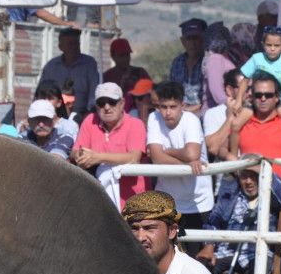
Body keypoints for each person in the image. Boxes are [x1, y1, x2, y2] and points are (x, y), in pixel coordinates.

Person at [196, 164, 281, 274]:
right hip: (227, 250)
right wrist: (209, 246)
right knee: (201, 267)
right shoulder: (229, 195)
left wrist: (265, 172)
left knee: (257, 272)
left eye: (253, 175)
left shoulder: (271, 196)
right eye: (244, 176)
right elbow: (213, 221)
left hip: (258, 252)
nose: (248, 181)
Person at [146, 81, 213, 254]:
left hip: (198, 202)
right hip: (168, 202)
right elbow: (156, 157)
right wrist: (185, 165)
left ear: (182, 105)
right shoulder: (154, 118)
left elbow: (192, 154)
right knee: (168, 257)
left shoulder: (191, 120)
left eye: (173, 106)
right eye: (163, 106)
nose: (167, 112)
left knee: (197, 258)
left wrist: (167, 151)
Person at [71, 81, 148, 209]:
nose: (107, 107)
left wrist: (97, 157)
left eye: (112, 102)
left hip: (133, 202)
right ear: (96, 106)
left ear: (122, 103)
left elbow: (134, 158)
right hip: (98, 202)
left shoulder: (135, 124)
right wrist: (81, 155)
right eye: (101, 103)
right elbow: (74, 151)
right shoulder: (90, 120)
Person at [229, 72, 281, 175]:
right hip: (250, 187)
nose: (263, 99)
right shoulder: (241, 123)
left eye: (268, 95)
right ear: (253, 97)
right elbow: (220, 148)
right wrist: (229, 156)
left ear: (277, 97)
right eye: (258, 95)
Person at [238, 26, 281, 128]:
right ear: (263, 44)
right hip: (257, 98)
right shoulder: (256, 58)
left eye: (276, 45)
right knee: (235, 124)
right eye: (269, 45)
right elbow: (244, 81)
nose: (272, 48)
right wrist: (238, 101)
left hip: (280, 100)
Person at [37, 27, 99, 124]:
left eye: (76, 44)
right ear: (60, 46)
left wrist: (89, 114)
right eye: (70, 44)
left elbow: (94, 94)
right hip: (53, 116)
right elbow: (40, 94)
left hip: (82, 116)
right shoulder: (51, 67)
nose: (74, 47)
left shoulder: (89, 64)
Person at [203, 69, 243, 162]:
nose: (250, 93)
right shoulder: (213, 114)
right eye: (245, 88)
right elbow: (213, 148)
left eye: (251, 88)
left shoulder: (258, 110)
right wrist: (230, 118)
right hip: (226, 172)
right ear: (229, 90)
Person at [169, 18, 207, 115]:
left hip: (203, 112)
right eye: (188, 39)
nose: (192, 43)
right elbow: (172, 91)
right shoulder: (177, 62)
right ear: (183, 41)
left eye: (196, 38)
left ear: (203, 39)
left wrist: (196, 108)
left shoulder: (209, 61)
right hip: (180, 113)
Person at [201, 23, 238, 110]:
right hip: (217, 112)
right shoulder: (215, 59)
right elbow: (217, 92)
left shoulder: (225, 58)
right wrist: (233, 106)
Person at [102, 38, 149, 104]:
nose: (125, 59)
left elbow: (150, 94)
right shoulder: (106, 77)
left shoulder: (140, 73)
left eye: (127, 55)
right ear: (113, 56)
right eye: (121, 56)